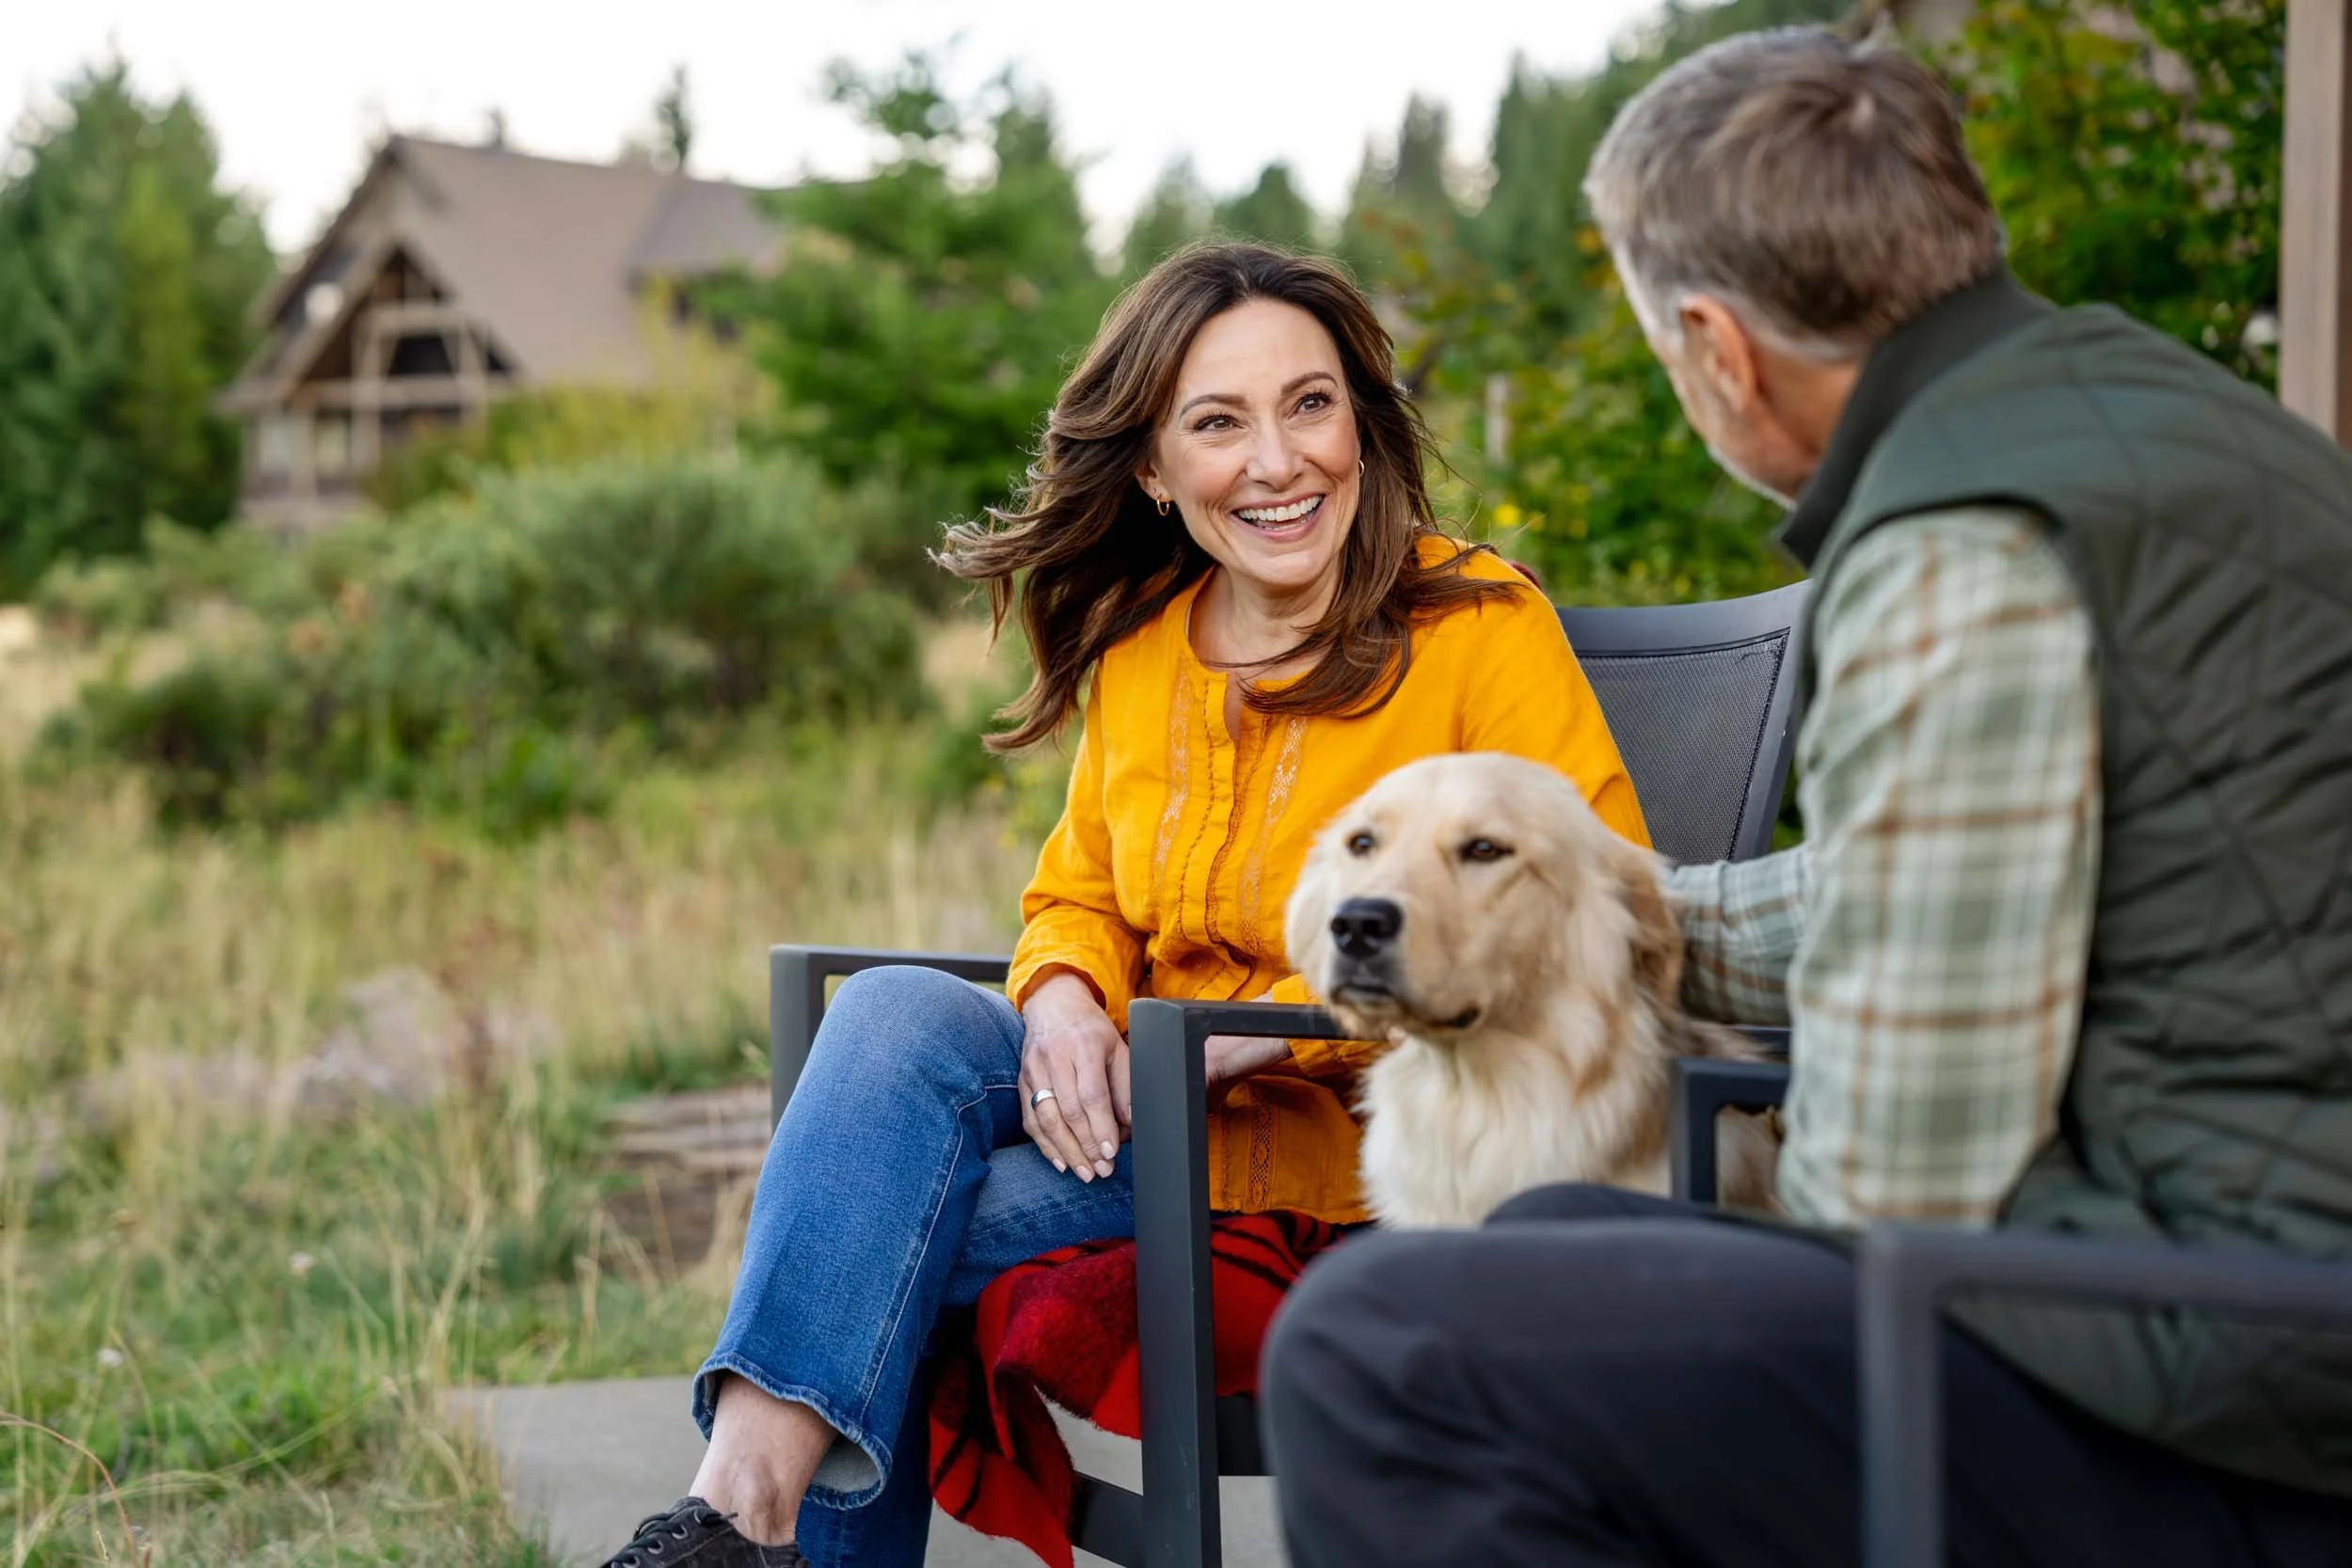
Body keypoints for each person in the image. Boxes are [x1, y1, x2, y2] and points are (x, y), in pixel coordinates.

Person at [1263, 26, 2352, 1568]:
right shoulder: (2162, 424)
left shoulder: (1960, 553)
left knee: (1377, 1346)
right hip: (2256, 1290)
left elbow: (1897, 1191)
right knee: (1554, 1238)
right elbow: (1911, 893)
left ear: (1719, 347)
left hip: (2231, 1376)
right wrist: (1597, 907)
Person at [596, 243, 1648, 1568]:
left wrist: (1288, 1023)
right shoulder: (1151, 641)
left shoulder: (1477, 626)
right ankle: (732, 1516)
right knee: (896, 1011)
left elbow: (1586, 912)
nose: (1278, 461)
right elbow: (1077, 890)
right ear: (1154, 468)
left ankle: (733, 1523)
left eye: (1310, 404)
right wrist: (1065, 999)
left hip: (1347, 1153)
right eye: (1218, 422)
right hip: (1130, 1122)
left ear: (1362, 425)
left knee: (877, 1236)